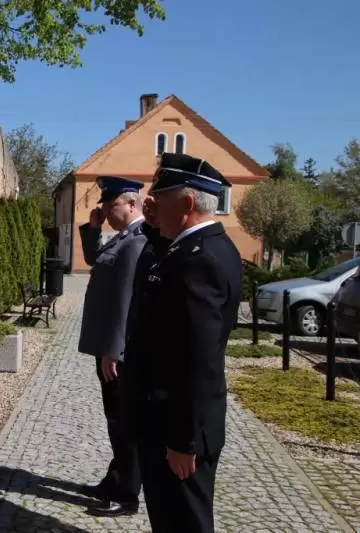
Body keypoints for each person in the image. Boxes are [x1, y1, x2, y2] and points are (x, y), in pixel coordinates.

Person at [124, 153, 242, 533]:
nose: (153, 205)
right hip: (166, 421)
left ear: (188, 203)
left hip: (177, 429)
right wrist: (154, 226)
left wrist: (183, 440)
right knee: (169, 520)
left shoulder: (200, 260)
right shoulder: (196, 247)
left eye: (162, 198)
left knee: (184, 523)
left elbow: (199, 358)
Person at [78, 176, 147, 516]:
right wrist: (94, 227)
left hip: (119, 352)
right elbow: (96, 259)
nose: (106, 210)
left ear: (132, 203)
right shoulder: (122, 238)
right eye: (104, 205)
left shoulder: (137, 240)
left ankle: (127, 494)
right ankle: (115, 478)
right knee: (115, 418)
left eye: (111, 204)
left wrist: (113, 350)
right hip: (109, 347)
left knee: (124, 422)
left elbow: (125, 301)